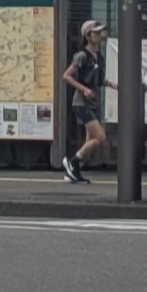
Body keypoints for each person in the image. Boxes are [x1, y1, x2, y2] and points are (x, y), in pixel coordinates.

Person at [60, 21, 109, 184]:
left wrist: (112, 85)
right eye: (96, 33)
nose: (100, 36)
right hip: (81, 103)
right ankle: (72, 162)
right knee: (100, 137)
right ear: (88, 36)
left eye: (100, 33)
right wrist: (83, 89)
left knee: (90, 142)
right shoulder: (82, 55)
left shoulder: (99, 57)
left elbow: (99, 80)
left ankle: (74, 173)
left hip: (93, 103)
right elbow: (66, 76)